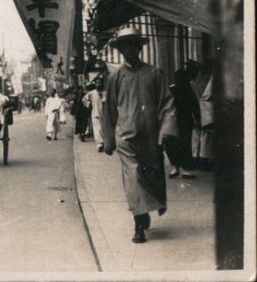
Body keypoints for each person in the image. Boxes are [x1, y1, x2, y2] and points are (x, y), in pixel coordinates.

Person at [102, 27, 178, 244]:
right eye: (126, 46)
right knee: (133, 178)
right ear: (121, 50)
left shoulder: (154, 73)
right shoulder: (115, 77)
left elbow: (168, 103)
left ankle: (150, 207)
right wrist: (109, 140)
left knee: (152, 174)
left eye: (134, 45)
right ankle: (139, 223)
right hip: (125, 138)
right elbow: (110, 111)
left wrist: (166, 131)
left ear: (139, 48)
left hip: (151, 137)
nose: (130, 50)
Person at [167, 65, 199, 178]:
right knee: (185, 144)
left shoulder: (171, 89)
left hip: (172, 120)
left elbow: (165, 105)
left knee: (172, 144)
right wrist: (198, 120)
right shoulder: (188, 89)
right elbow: (195, 106)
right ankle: (185, 169)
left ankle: (176, 167)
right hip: (184, 120)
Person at [83, 80, 106, 151]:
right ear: (95, 84)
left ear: (102, 84)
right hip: (95, 113)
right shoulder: (92, 93)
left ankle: (104, 142)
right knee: (97, 129)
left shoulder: (105, 92)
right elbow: (84, 99)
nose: (98, 84)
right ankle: (99, 144)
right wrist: (89, 105)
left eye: (100, 83)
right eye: (97, 83)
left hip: (105, 114)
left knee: (103, 129)